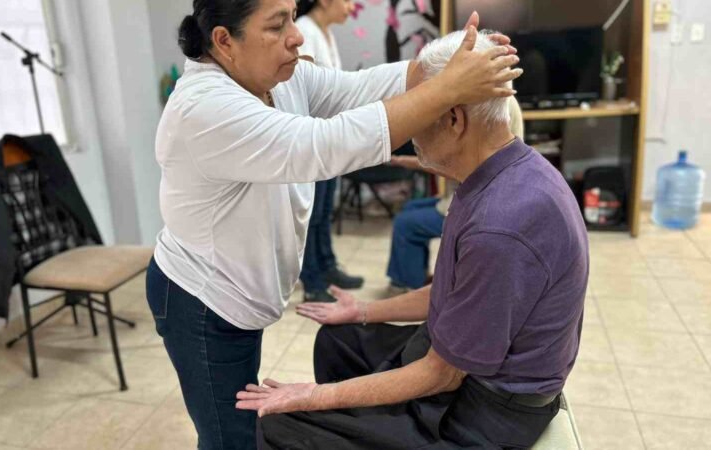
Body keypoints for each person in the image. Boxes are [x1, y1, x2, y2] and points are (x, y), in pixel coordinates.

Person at [148, 0, 521, 447]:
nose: (297, 35)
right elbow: (322, 145)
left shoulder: (278, 77)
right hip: (202, 299)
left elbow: (359, 88)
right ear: (224, 41)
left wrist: (446, 64)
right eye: (276, 25)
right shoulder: (202, 109)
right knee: (233, 438)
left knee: (242, 423)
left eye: (291, 15)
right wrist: (445, 89)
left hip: (239, 288)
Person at [236, 30, 588, 449]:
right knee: (339, 340)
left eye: (419, 114)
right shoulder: (500, 172)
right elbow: (455, 291)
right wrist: (363, 310)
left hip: (483, 414)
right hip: (461, 369)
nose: (409, 128)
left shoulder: (503, 223)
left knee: (275, 430)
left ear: (455, 119)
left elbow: (441, 374)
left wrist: (312, 397)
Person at [386, 97, 524, 293]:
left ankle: (407, 284)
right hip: (469, 195)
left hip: (472, 203)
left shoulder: (480, 107)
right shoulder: (502, 103)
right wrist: (401, 160)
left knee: (405, 222)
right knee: (410, 209)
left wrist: (402, 160)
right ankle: (414, 275)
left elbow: (452, 165)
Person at [295, 0, 364, 302]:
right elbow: (307, 92)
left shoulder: (325, 32)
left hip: (329, 139)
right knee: (311, 215)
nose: (352, 6)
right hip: (314, 141)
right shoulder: (304, 31)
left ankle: (326, 266)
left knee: (323, 211)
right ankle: (312, 281)